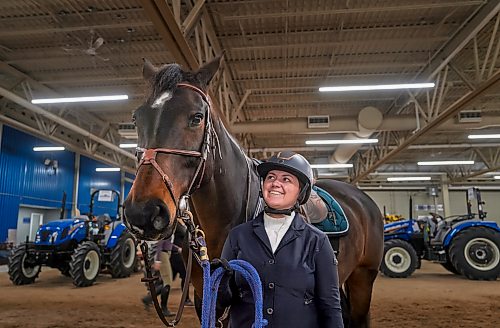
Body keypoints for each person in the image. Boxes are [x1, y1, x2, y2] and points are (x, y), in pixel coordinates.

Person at [215, 151, 343, 327]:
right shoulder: (237, 236)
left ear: (301, 191)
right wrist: (219, 283)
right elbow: (222, 302)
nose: (275, 183)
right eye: (271, 177)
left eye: (286, 179)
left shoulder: (317, 241)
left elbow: (330, 305)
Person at [142, 237, 180, 316]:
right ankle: (164, 309)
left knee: (165, 282)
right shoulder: (168, 229)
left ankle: (148, 299)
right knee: (167, 282)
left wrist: (177, 249)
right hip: (163, 255)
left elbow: (167, 244)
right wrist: (158, 260)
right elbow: (160, 243)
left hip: (165, 254)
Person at [170, 222, 194, 306]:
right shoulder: (176, 225)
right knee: (185, 276)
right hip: (177, 255)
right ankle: (186, 299)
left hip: (182, 254)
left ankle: (150, 297)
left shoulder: (185, 223)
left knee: (170, 277)